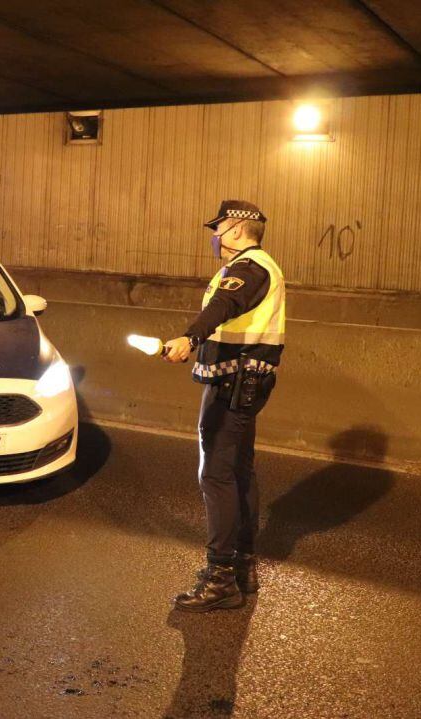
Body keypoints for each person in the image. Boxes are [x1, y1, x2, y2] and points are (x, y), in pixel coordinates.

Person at [162, 199, 285, 612]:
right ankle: (243, 566)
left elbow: (223, 306)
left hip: (234, 383)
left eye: (218, 229)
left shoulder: (248, 269)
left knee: (216, 474)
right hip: (246, 380)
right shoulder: (260, 267)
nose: (214, 237)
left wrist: (189, 338)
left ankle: (220, 579)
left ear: (235, 229)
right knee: (239, 471)